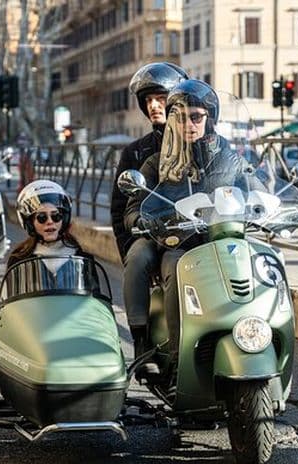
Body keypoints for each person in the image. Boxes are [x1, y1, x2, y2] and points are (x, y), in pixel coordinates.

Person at [124, 79, 261, 373]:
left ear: (210, 117)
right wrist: (143, 220)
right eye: (180, 117)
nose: (189, 124)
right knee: (174, 268)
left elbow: (257, 190)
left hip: (222, 241)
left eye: (196, 116)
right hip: (178, 244)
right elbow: (133, 207)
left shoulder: (233, 160)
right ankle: (175, 358)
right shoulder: (157, 162)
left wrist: (271, 207)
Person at [111, 62, 188, 367]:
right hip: (151, 233)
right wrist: (128, 246)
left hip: (193, 233)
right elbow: (120, 208)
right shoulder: (136, 152)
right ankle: (141, 339)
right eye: (148, 101)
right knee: (138, 258)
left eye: (160, 98)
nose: (154, 106)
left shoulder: (200, 142)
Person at [0, 180, 86, 322]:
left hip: (72, 323)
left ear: (64, 218)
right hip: (32, 324)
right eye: (42, 217)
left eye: (56, 216)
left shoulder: (79, 255)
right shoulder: (20, 257)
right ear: (30, 222)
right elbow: (9, 304)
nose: (50, 222)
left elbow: (93, 301)